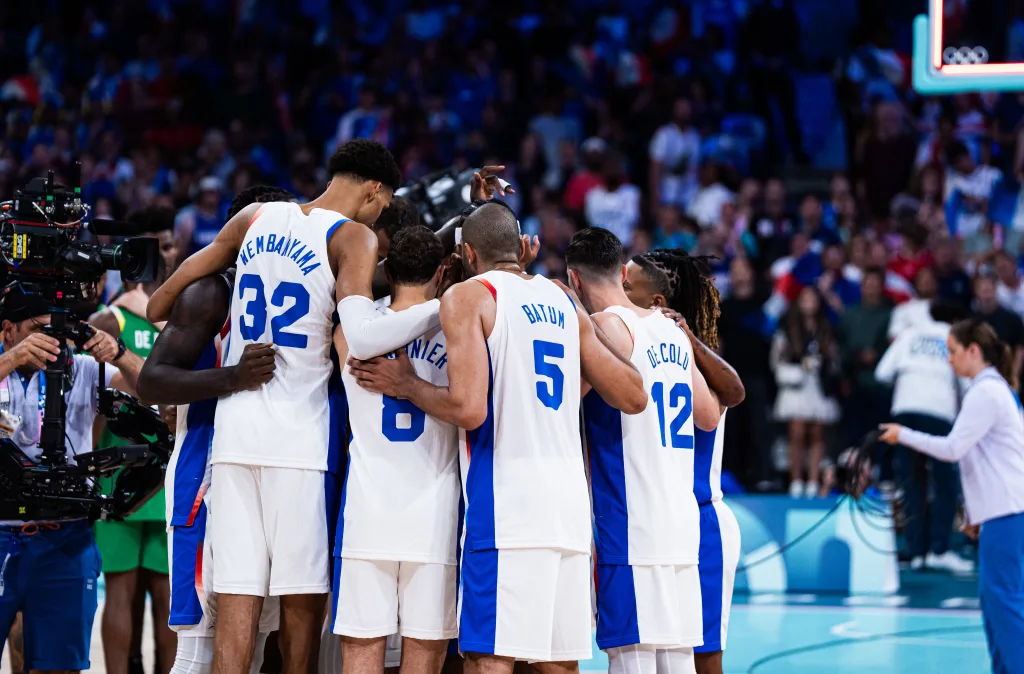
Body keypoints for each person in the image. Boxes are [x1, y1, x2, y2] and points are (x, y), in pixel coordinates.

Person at [146, 140, 442, 674]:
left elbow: (159, 302)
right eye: (383, 204)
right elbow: (362, 334)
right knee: (300, 616)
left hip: (234, 440)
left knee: (237, 607)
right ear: (374, 191)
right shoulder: (353, 237)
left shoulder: (256, 216)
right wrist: (443, 306)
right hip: (300, 445)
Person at [347, 202, 647, 673]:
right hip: (568, 514)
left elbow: (468, 409)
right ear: (521, 249)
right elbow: (633, 395)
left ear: (467, 252)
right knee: (558, 663)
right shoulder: (562, 299)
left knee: (490, 657)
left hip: (507, 510)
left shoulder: (470, 295)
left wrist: (407, 384)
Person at [135, 185, 295, 674]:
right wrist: (232, 377)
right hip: (205, 475)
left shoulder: (299, 288)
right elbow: (150, 382)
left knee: (257, 636)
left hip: (268, 470)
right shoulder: (211, 289)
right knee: (200, 643)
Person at [564, 230, 721, 674]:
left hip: (631, 529)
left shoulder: (607, 328)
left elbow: (558, 404)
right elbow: (709, 415)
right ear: (622, 271)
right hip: (680, 526)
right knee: (677, 663)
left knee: (631, 661)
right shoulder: (669, 326)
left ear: (575, 280)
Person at [332, 225, 459, 674]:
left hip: (369, 512)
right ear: (442, 272)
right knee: (423, 659)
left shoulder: (347, 336)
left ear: (386, 268)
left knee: (361, 653)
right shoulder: (458, 334)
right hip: (434, 517)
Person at [0, 283, 145, 674]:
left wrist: (117, 352)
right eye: (37, 329)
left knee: (60, 667)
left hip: (66, 536)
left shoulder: (81, 368)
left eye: (56, 330)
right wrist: (11, 360)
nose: (49, 341)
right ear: (7, 329)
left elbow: (156, 392)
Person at [879, 319, 1024, 673]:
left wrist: (904, 434)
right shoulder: (993, 389)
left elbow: (954, 448)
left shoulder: (985, 391)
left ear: (974, 351)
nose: (949, 360)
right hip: (1001, 514)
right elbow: (984, 460)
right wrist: (974, 514)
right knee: (997, 608)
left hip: (1007, 515)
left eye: (953, 352)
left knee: (1005, 609)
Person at [625, 248, 745, 674]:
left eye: (629, 283)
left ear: (660, 300)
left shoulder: (692, 354)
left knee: (702, 658)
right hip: (662, 521)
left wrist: (690, 339)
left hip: (701, 517)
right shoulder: (636, 342)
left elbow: (733, 393)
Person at [89, 207, 177, 674]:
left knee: (162, 598)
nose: (166, 253)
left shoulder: (119, 319)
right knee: (127, 592)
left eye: (169, 243)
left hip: (155, 473)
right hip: (125, 472)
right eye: (159, 245)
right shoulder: (116, 319)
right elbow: (91, 404)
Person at [874, 301, 972, 574]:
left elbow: (881, 373)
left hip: (904, 412)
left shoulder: (909, 333)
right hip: (939, 413)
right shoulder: (953, 339)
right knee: (945, 482)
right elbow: (967, 382)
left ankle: (917, 552)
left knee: (912, 481)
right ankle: (940, 550)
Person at [771, 286, 840, 498]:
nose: (809, 302)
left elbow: (836, 361)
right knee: (797, 434)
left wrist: (826, 360)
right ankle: (796, 481)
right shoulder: (788, 328)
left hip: (818, 387)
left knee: (818, 435)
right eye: (805, 298)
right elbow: (777, 360)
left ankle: (813, 482)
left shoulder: (826, 329)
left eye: (813, 298)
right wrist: (800, 368)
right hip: (796, 387)